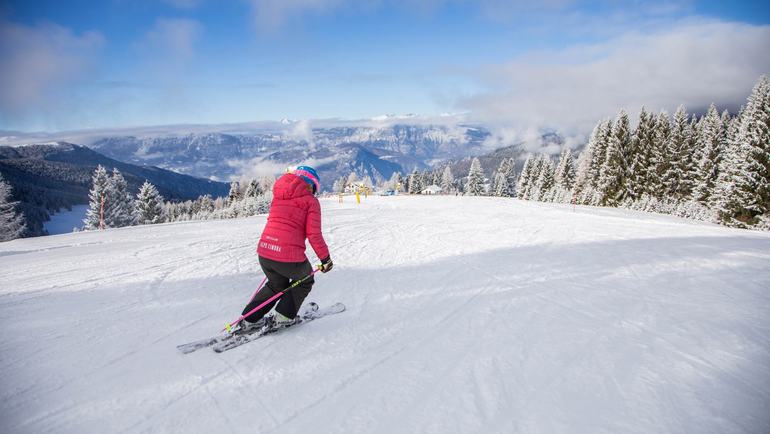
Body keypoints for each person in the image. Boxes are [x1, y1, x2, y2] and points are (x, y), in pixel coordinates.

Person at [239, 166, 333, 329]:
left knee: (276, 285)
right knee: (305, 280)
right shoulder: (310, 201)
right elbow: (314, 235)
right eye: (314, 189)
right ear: (310, 185)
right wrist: (326, 259)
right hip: (287, 256)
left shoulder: (279, 196)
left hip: (265, 252)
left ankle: (249, 319)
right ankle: (283, 316)